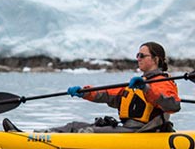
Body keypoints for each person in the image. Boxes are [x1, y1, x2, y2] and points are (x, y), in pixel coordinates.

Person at [48, 42, 181, 133]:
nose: (138, 58)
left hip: (142, 131)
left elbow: (172, 106)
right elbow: (108, 94)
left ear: (156, 59)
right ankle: (39, 136)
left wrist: (146, 88)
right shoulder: (139, 82)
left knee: (86, 132)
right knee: (73, 126)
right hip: (126, 129)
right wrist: (85, 92)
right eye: (137, 55)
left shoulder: (164, 82)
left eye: (142, 55)